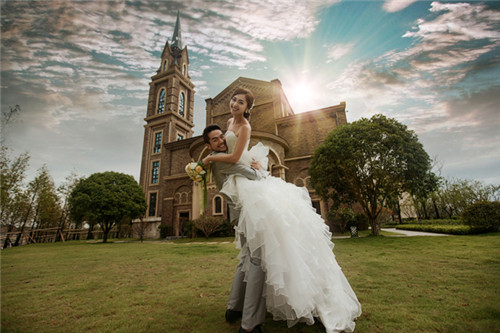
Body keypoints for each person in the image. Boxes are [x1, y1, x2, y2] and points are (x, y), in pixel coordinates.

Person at [202, 87, 362, 333]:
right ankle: (241, 314)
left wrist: (225, 162)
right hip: (242, 193)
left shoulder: (245, 127)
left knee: (254, 254)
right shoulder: (227, 124)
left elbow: (235, 158)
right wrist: (247, 166)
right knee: (251, 254)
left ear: (247, 108)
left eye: (240, 102)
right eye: (233, 99)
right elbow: (236, 160)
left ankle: (242, 313)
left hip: (251, 192)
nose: (234, 104)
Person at [202, 124, 266, 333]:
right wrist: (258, 168)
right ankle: (249, 324)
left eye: (221, 137)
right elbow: (255, 176)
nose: (221, 141)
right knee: (256, 260)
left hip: (240, 215)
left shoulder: (218, 160)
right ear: (208, 144)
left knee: (247, 258)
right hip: (245, 214)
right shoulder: (221, 163)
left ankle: (234, 307)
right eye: (215, 140)